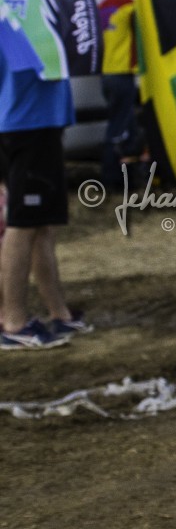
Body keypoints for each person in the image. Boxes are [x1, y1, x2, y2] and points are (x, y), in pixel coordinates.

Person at [0, 48, 81, 350]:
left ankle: (59, 312)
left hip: (42, 118)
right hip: (25, 122)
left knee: (44, 225)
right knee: (23, 225)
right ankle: (14, 322)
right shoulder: (10, 8)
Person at [97, 0, 144, 185]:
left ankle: (130, 176)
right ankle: (112, 178)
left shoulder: (103, 5)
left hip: (107, 73)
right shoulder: (129, 7)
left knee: (127, 126)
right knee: (118, 129)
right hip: (122, 74)